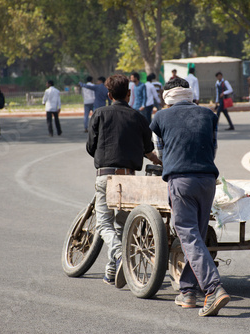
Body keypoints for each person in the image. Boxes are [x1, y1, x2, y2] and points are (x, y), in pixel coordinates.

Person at [150, 77, 230, 317]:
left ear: (167, 97)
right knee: (197, 236)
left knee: (189, 237)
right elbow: (212, 147)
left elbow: (161, 152)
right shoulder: (208, 115)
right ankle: (187, 292)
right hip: (207, 181)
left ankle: (214, 288)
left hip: (181, 181)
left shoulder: (160, 118)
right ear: (190, 93)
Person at [87, 74, 161, 287]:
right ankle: (111, 272)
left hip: (105, 176)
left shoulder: (99, 114)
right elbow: (148, 150)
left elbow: (90, 147)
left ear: (109, 95)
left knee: (103, 224)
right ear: (129, 94)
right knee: (121, 224)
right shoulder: (138, 118)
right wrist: (159, 160)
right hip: (129, 179)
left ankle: (120, 255)